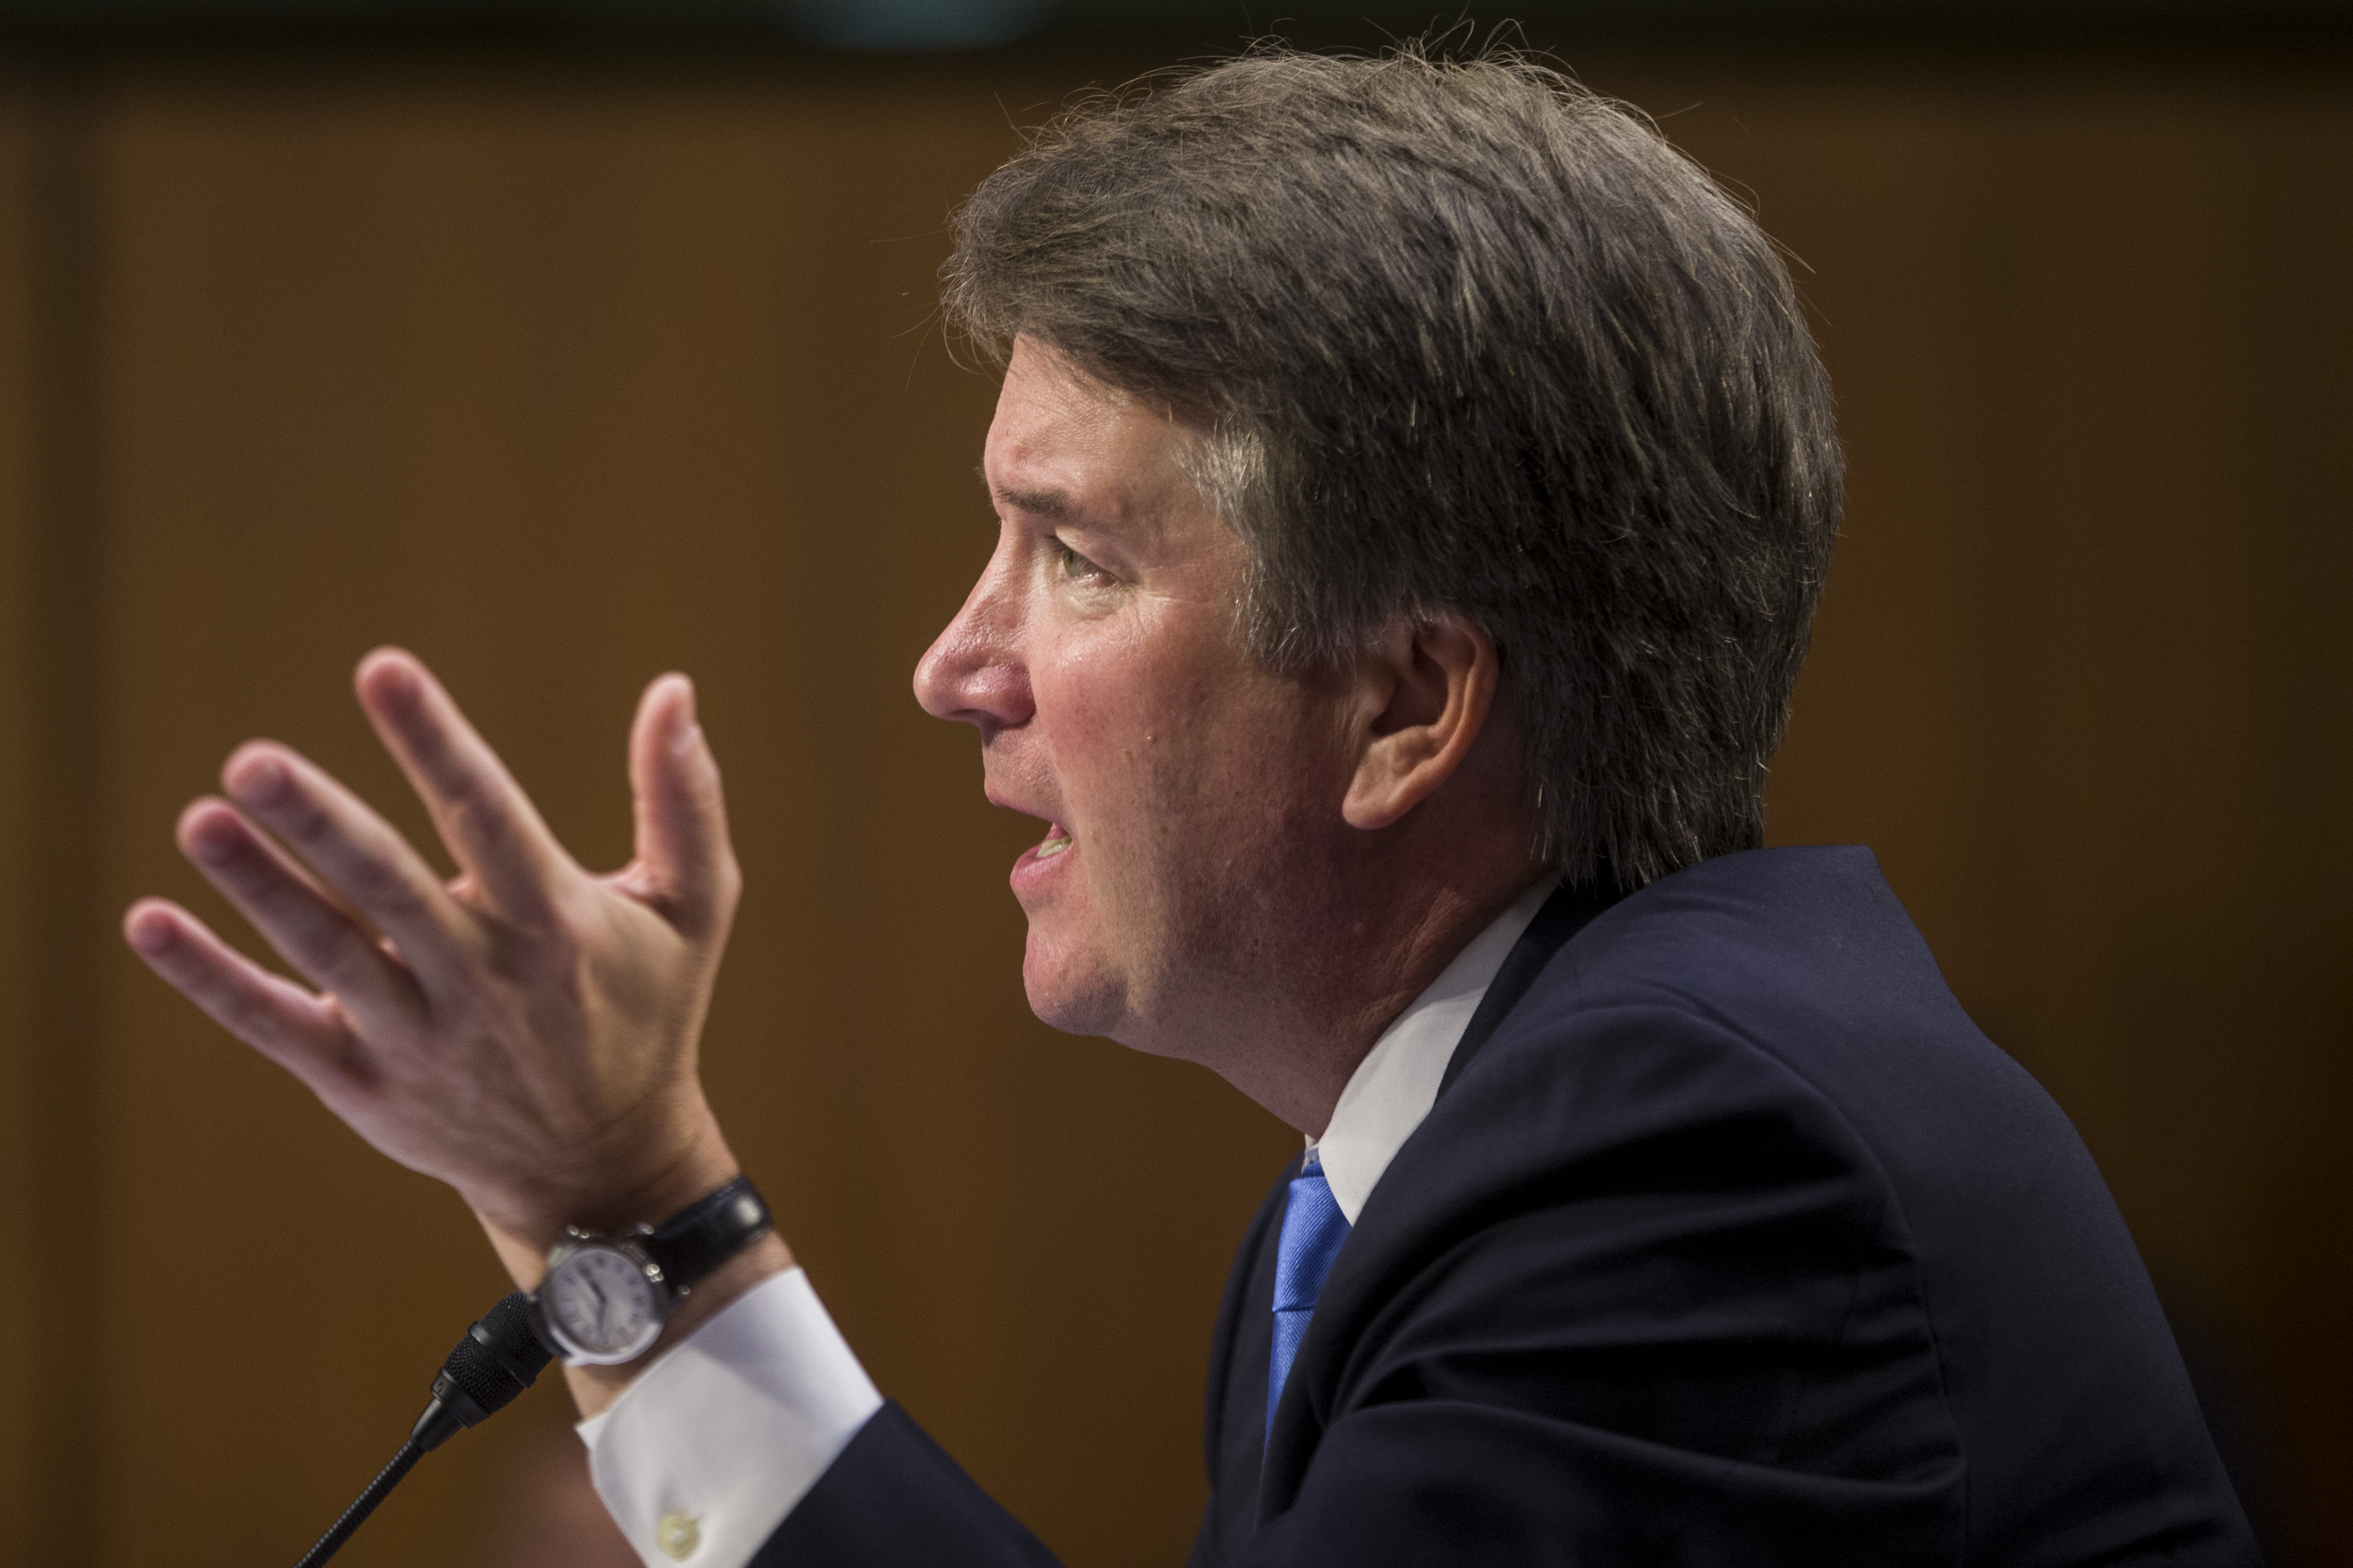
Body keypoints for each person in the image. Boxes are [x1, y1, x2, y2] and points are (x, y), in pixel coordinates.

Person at [121, 44, 2257, 1568]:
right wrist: (596, 1197)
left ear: (1409, 701)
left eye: (1077, 555)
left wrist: (636, 1195)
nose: (954, 669)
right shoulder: (1416, 1180)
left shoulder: (1694, 1164)